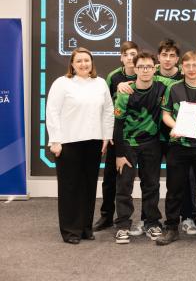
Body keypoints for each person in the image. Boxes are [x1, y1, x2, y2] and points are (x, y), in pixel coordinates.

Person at [46, 47, 114, 244]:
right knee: (70, 187)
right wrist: (55, 140)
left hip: (94, 142)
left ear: (92, 62)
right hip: (68, 142)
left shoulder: (100, 83)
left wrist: (106, 136)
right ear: (72, 64)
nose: (84, 64)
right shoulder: (62, 83)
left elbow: (108, 111)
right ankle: (70, 231)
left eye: (87, 60)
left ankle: (85, 228)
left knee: (88, 186)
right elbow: (52, 112)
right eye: (79, 61)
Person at [156, 51, 196, 246]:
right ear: (182, 68)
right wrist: (175, 126)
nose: (191, 69)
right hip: (179, 145)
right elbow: (165, 114)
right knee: (174, 189)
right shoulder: (173, 88)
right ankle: (171, 228)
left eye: (195, 65)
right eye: (187, 66)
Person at [113, 52, 172, 244]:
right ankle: (122, 225)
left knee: (151, 185)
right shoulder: (125, 92)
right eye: (141, 67)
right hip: (128, 144)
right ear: (135, 68)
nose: (145, 70)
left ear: (155, 69)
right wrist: (119, 154)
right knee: (124, 186)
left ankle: (152, 222)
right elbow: (118, 125)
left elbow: (187, 79)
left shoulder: (163, 86)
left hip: (152, 144)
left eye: (149, 67)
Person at [94, 41, 139, 232]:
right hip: (117, 134)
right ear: (121, 57)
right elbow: (106, 106)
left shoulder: (146, 73)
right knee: (110, 178)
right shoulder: (113, 77)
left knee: (133, 180)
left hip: (140, 135)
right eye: (126, 54)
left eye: (133, 54)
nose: (130, 58)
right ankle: (106, 216)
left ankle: (147, 219)